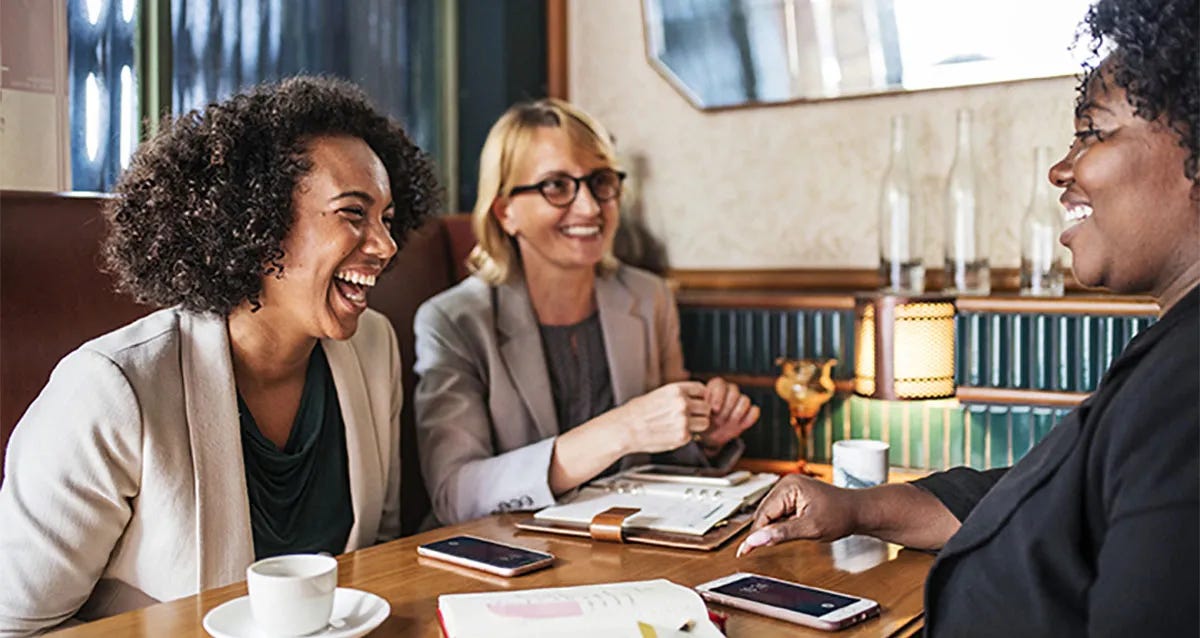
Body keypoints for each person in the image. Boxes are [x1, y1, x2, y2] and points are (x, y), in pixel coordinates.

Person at [738, 0, 1199, 634]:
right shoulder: (1171, 356)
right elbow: (1041, 500)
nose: (1061, 168)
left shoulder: (1187, 391)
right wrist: (855, 507)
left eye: (1092, 133)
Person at [0, 76, 439, 634]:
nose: (385, 245)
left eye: (388, 219)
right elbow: (16, 625)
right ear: (256, 223)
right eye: (354, 214)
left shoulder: (373, 349)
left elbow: (375, 556)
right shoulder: (109, 391)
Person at [414, 98, 759, 526]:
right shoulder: (453, 321)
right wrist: (622, 429)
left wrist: (705, 436)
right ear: (506, 213)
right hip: (507, 559)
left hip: (629, 546)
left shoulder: (649, 297)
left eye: (600, 181)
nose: (591, 208)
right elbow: (454, 494)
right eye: (556, 186)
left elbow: (666, 460)